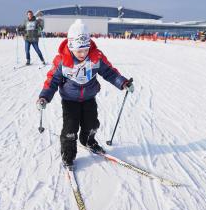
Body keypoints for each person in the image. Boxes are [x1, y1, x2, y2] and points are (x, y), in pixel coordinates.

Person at [36, 19, 134, 170]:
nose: (82, 53)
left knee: (92, 124)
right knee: (70, 129)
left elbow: (109, 72)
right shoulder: (62, 60)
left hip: (89, 97)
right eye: (79, 50)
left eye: (85, 49)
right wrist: (44, 97)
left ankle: (88, 140)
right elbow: (52, 80)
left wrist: (123, 82)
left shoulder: (96, 57)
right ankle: (68, 154)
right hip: (70, 100)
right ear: (70, 46)